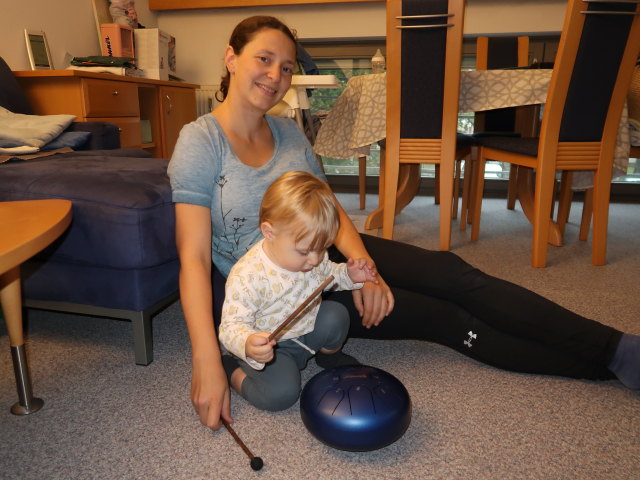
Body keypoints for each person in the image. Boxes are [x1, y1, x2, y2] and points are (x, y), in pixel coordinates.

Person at [168, 15, 640, 430]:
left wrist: (365, 268)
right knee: (447, 320)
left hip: (326, 255)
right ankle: (602, 367)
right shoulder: (200, 141)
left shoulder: (290, 131)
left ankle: (618, 350)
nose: (276, 76)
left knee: (453, 273)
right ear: (231, 58)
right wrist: (206, 358)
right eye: (264, 59)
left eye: (286, 67)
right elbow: (192, 259)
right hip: (279, 294)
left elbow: (328, 210)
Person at [219, 171, 377, 411]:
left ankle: (328, 356)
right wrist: (248, 343)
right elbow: (230, 327)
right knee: (281, 395)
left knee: (336, 314)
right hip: (271, 348)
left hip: (307, 328)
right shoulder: (247, 275)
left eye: (322, 248)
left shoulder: (312, 254)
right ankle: (231, 371)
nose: (315, 259)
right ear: (269, 232)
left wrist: (351, 275)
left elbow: (331, 274)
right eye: (304, 252)